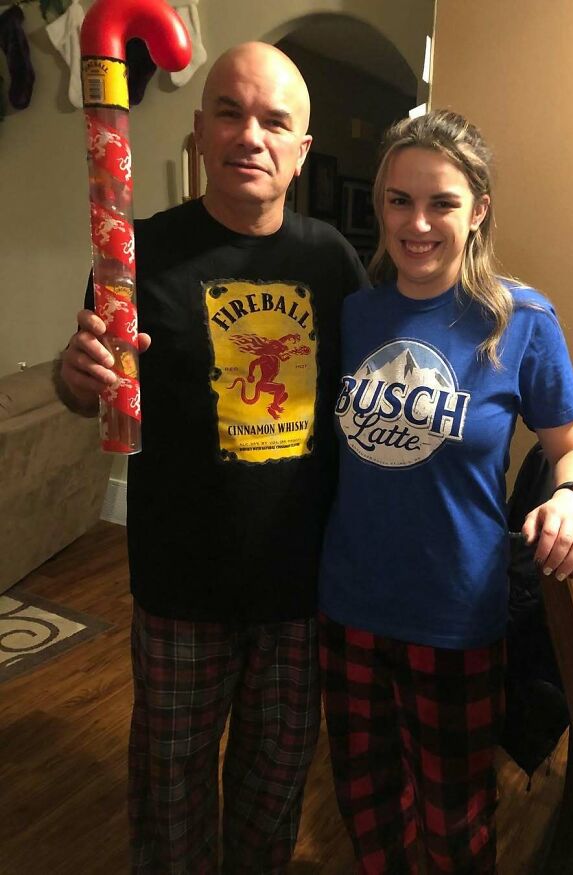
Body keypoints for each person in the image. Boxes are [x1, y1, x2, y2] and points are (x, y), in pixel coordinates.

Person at [56, 42, 366, 874]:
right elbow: (91, 395)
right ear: (200, 130)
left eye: (274, 121)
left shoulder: (334, 263)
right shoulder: (130, 258)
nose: (250, 135)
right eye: (230, 112)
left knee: (273, 795)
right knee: (170, 796)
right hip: (179, 586)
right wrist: (75, 378)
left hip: (299, 590)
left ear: (301, 150)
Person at [317, 110, 573, 874]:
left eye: (441, 202)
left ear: (477, 210)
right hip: (347, 607)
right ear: (381, 206)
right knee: (366, 807)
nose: (417, 223)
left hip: (454, 616)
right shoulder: (354, 314)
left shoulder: (521, 319)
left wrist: (572, 500)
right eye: (399, 200)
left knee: (456, 826)